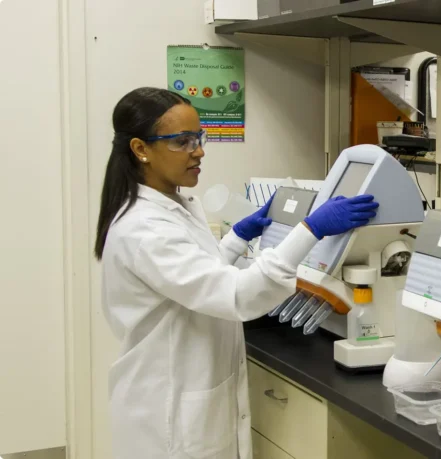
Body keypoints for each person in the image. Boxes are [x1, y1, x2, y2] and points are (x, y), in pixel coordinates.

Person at [94, 87, 379, 459]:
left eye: (199, 137)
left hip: (185, 393)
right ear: (141, 149)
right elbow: (237, 295)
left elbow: (197, 277)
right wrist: (309, 230)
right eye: (182, 141)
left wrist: (235, 240)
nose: (198, 151)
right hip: (168, 412)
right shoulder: (144, 229)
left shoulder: (173, 204)